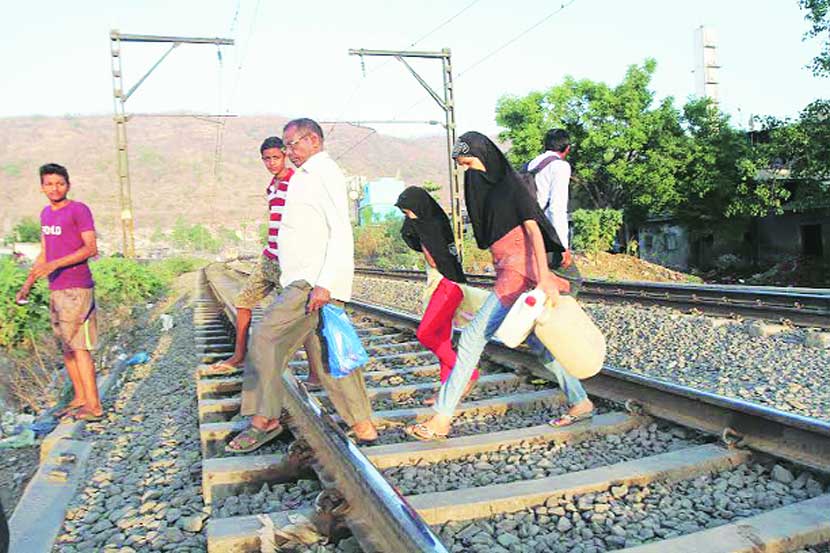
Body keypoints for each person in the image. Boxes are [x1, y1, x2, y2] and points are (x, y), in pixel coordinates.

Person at [405, 132, 574, 441]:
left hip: (518, 272)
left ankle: (441, 419)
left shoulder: (511, 186)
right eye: (462, 165)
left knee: (471, 340)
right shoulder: (484, 186)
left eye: (468, 162)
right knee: (537, 343)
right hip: (506, 270)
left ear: (484, 155)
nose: (467, 170)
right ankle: (581, 400)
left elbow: (534, 229)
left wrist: (545, 276)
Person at [227, 118, 377, 453]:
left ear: (312, 140)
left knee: (264, 337)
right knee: (327, 355)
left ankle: (264, 420)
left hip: (311, 283)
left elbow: (339, 231)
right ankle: (363, 425)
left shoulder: (323, 174)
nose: (288, 151)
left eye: (292, 144)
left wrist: (323, 285)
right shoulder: (306, 176)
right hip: (303, 281)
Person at [208, 136, 321, 389]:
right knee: (243, 302)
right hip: (269, 256)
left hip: (290, 262)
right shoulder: (272, 186)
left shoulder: (297, 183)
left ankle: (315, 374)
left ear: (284, 156)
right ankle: (239, 356)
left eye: (275, 158)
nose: (271, 163)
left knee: (303, 317)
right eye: (266, 159)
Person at [15, 163, 103, 421]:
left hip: (76, 287)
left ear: (68, 185)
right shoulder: (46, 214)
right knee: (66, 346)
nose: (54, 188)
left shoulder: (78, 210)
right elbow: (45, 253)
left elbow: (90, 248)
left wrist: (55, 264)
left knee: (79, 347)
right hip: (56, 287)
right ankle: (80, 398)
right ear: (42, 187)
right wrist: (28, 284)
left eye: (59, 183)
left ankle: (94, 406)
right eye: (49, 183)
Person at [527, 129, 594, 426]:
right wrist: (562, 246)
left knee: (538, 325)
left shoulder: (531, 165)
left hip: (527, 243)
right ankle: (577, 389)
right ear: (566, 149)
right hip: (547, 241)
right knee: (574, 283)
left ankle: (577, 394)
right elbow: (558, 208)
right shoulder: (559, 165)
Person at [395, 186, 479, 405]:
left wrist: (419, 232)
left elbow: (434, 260)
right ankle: (447, 390)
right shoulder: (438, 221)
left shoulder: (429, 226)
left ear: (417, 209)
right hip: (452, 284)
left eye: (407, 213)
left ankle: (468, 373)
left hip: (445, 285)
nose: (407, 218)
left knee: (426, 334)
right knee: (442, 338)